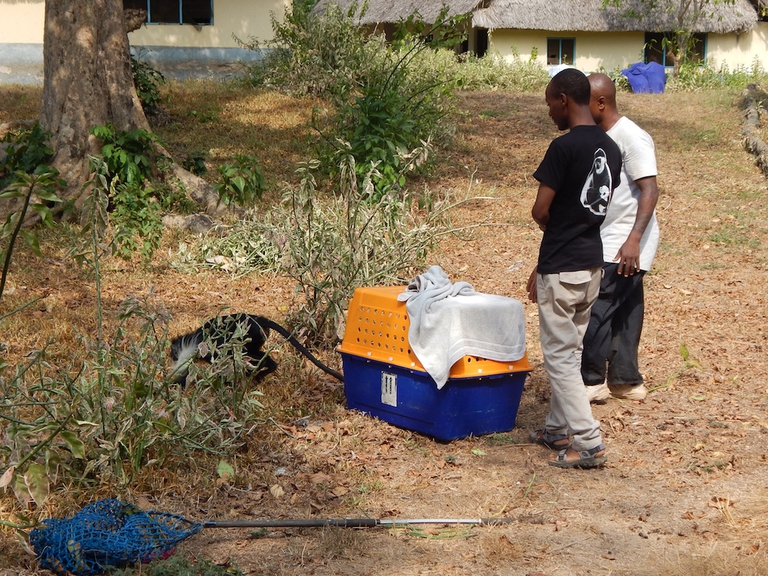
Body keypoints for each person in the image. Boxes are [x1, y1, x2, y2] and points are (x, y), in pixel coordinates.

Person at [525, 68, 622, 469]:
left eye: (551, 102)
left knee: (560, 358)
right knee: (573, 347)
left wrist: (555, 231)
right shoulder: (612, 148)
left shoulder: (562, 148)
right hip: (592, 264)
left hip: (562, 269)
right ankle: (556, 429)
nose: (550, 111)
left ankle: (588, 443)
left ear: (564, 99)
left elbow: (540, 210)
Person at [582, 73, 660, 403]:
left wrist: (633, 240)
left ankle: (592, 380)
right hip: (609, 237)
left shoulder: (631, 137)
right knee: (626, 307)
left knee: (599, 306)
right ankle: (626, 381)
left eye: (584, 102)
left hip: (625, 241)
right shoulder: (597, 136)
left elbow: (650, 189)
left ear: (601, 103)